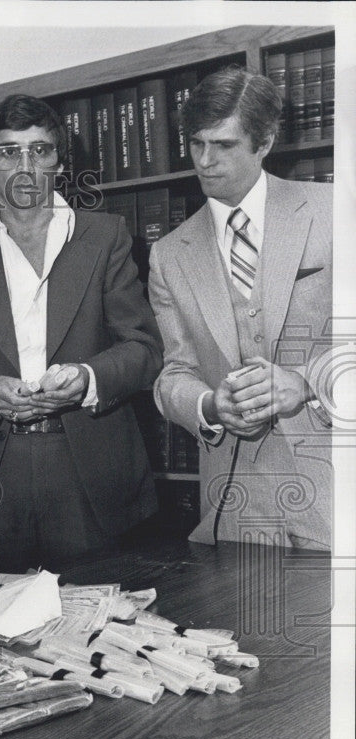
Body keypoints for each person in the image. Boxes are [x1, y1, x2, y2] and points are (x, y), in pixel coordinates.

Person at [0, 94, 162, 583]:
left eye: (40, 150)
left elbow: (144, 347)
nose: (25, 165)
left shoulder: (107, 235)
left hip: (90, 469)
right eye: (8, 151)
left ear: (59, 161)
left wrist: (87, 377)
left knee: (97, 631)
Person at [148, 67, 333, 549]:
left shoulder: (338, 212)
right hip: (231, 511)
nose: (205, 161)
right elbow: (173, 375)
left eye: (224, 145)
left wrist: (307, 382)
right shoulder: (169, 253)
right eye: (196, 144)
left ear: (265, 141)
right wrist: (210, 405)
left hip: (337, 498)